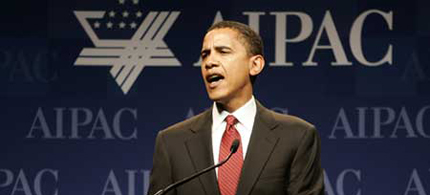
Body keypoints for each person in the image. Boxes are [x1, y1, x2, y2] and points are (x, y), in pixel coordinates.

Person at [148, 21, 324, 195]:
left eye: (223, 52)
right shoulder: (172, 142)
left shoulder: (296, 136)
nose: (210, 62)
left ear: (255, 65)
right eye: (205, 55)